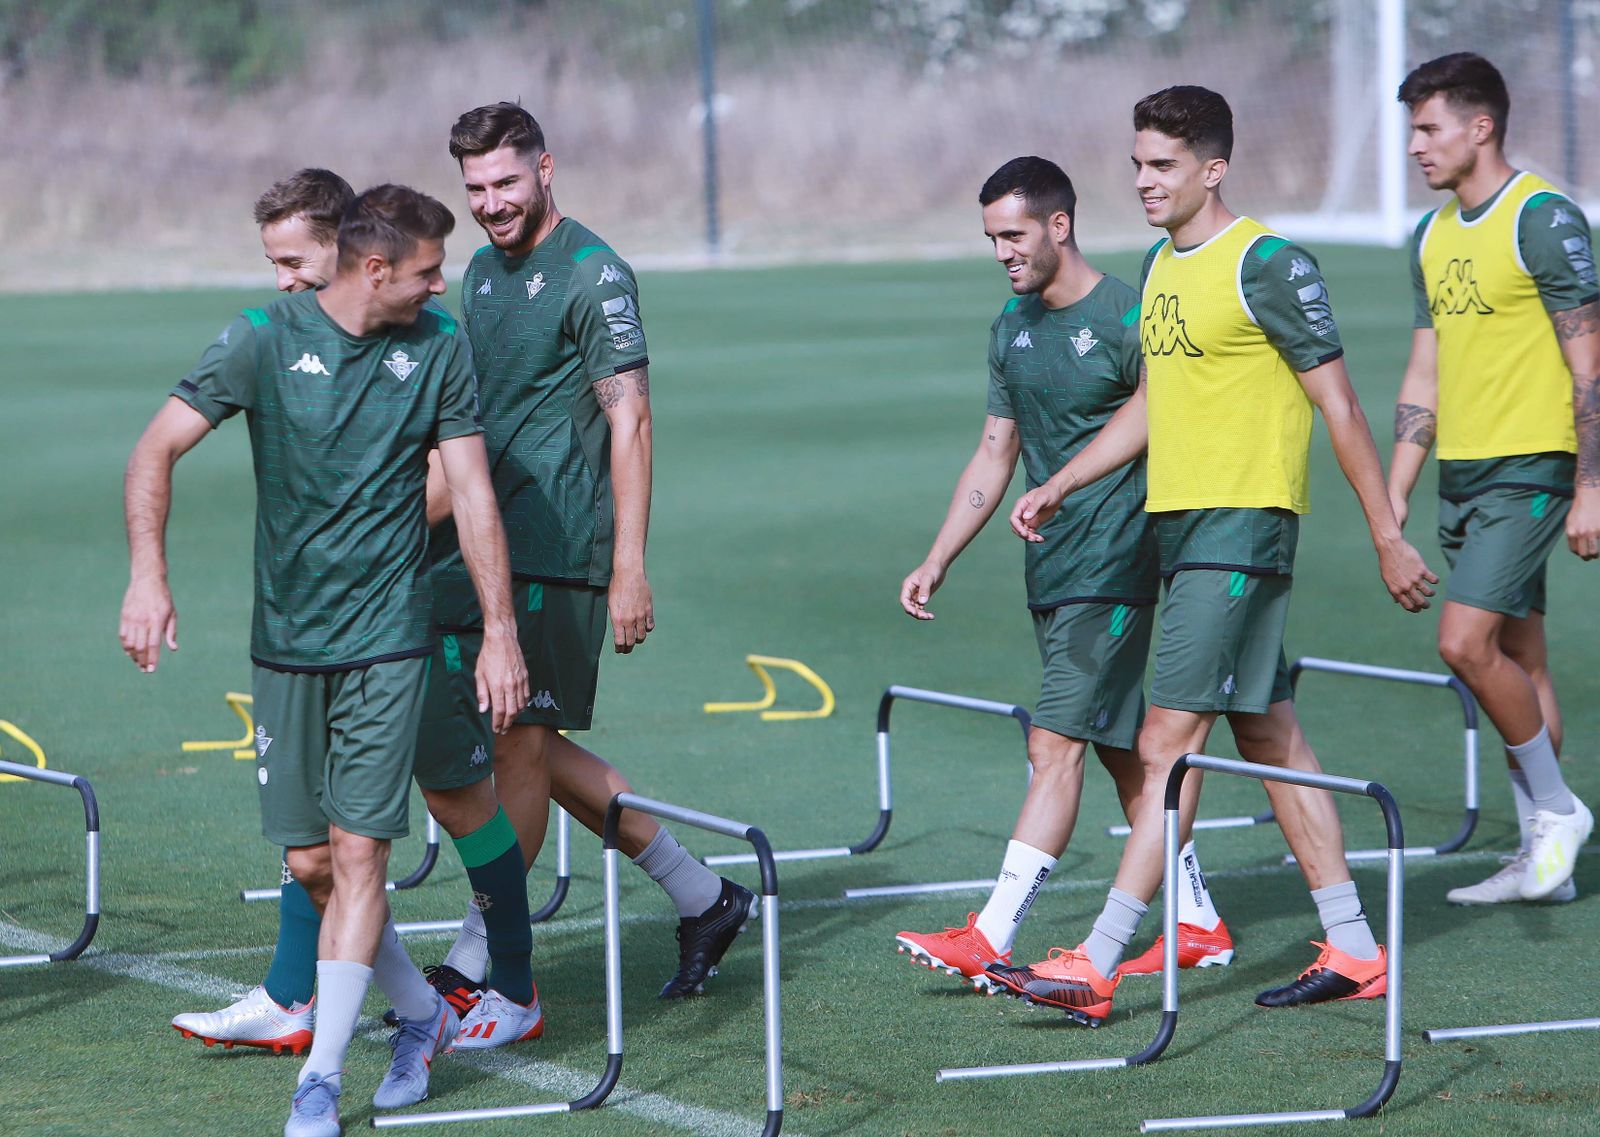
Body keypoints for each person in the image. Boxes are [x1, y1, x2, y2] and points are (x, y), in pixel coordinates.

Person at [1003, 86, 1436, 1026]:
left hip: (1240, 528)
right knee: (1271, 736)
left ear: (1212, 167)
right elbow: (1156, 404)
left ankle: (1101, 957)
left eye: (1161, 165)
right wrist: (1063, 480)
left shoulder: (1269, 264)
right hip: (1180, 528)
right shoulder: (1160, 267)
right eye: (1137, 164)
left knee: (1167, 741)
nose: (1143, 181)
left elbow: (1341, 405)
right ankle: (1357, 947)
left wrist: (1386, 531)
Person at [121, 184, 529, 1136]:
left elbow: (470, 493)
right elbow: (155, 449)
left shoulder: (441, 348)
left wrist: (500, 631)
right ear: (376, 269)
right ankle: (423, 1017)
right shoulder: (262, 336)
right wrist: (149, 576)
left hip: (391, 638)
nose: (443, 285)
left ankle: (322, 1082)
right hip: (286, 643)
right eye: (430, 271)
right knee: (311, 863)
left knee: (359, 852)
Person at [416, 102, 753, 1016]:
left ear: (547, 168)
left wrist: (628, 566)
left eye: (506, 182)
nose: (491, 203)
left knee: (518, 743)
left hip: (561, 548)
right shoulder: (481, 270)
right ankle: (704, 896)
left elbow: (631, 418)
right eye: (475, 187)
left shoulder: (595, 272)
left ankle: (481, 957)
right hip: (485, 544)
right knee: (526, 740)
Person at [893, 156, 1232, 990]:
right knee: (1122, 754)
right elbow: (995, 451)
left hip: (1116, 564)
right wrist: (939, 555)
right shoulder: (1010, 325)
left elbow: (1168, 422)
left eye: (1014, 235)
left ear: (1059, 225)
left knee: (1053, 743)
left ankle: (991, 930)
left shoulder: (1128, 314)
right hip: (1051, 571)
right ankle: (1198, 921)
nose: (1003, 252)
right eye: (991, 239)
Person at [1389, 52, 1596, 905]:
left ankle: (1557, 811)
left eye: (1429, 127)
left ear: (1481, 127)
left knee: (1463, 643)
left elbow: (1591, 365)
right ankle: (1542, 859)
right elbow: (1423, 376)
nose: (1414, 146)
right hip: (1463, 473)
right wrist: (1395, 490)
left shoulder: (1544, 218)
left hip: (1533, 468)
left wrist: (1592, 485)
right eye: (1412, 129)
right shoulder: (1431, 235)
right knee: (1520, 654)